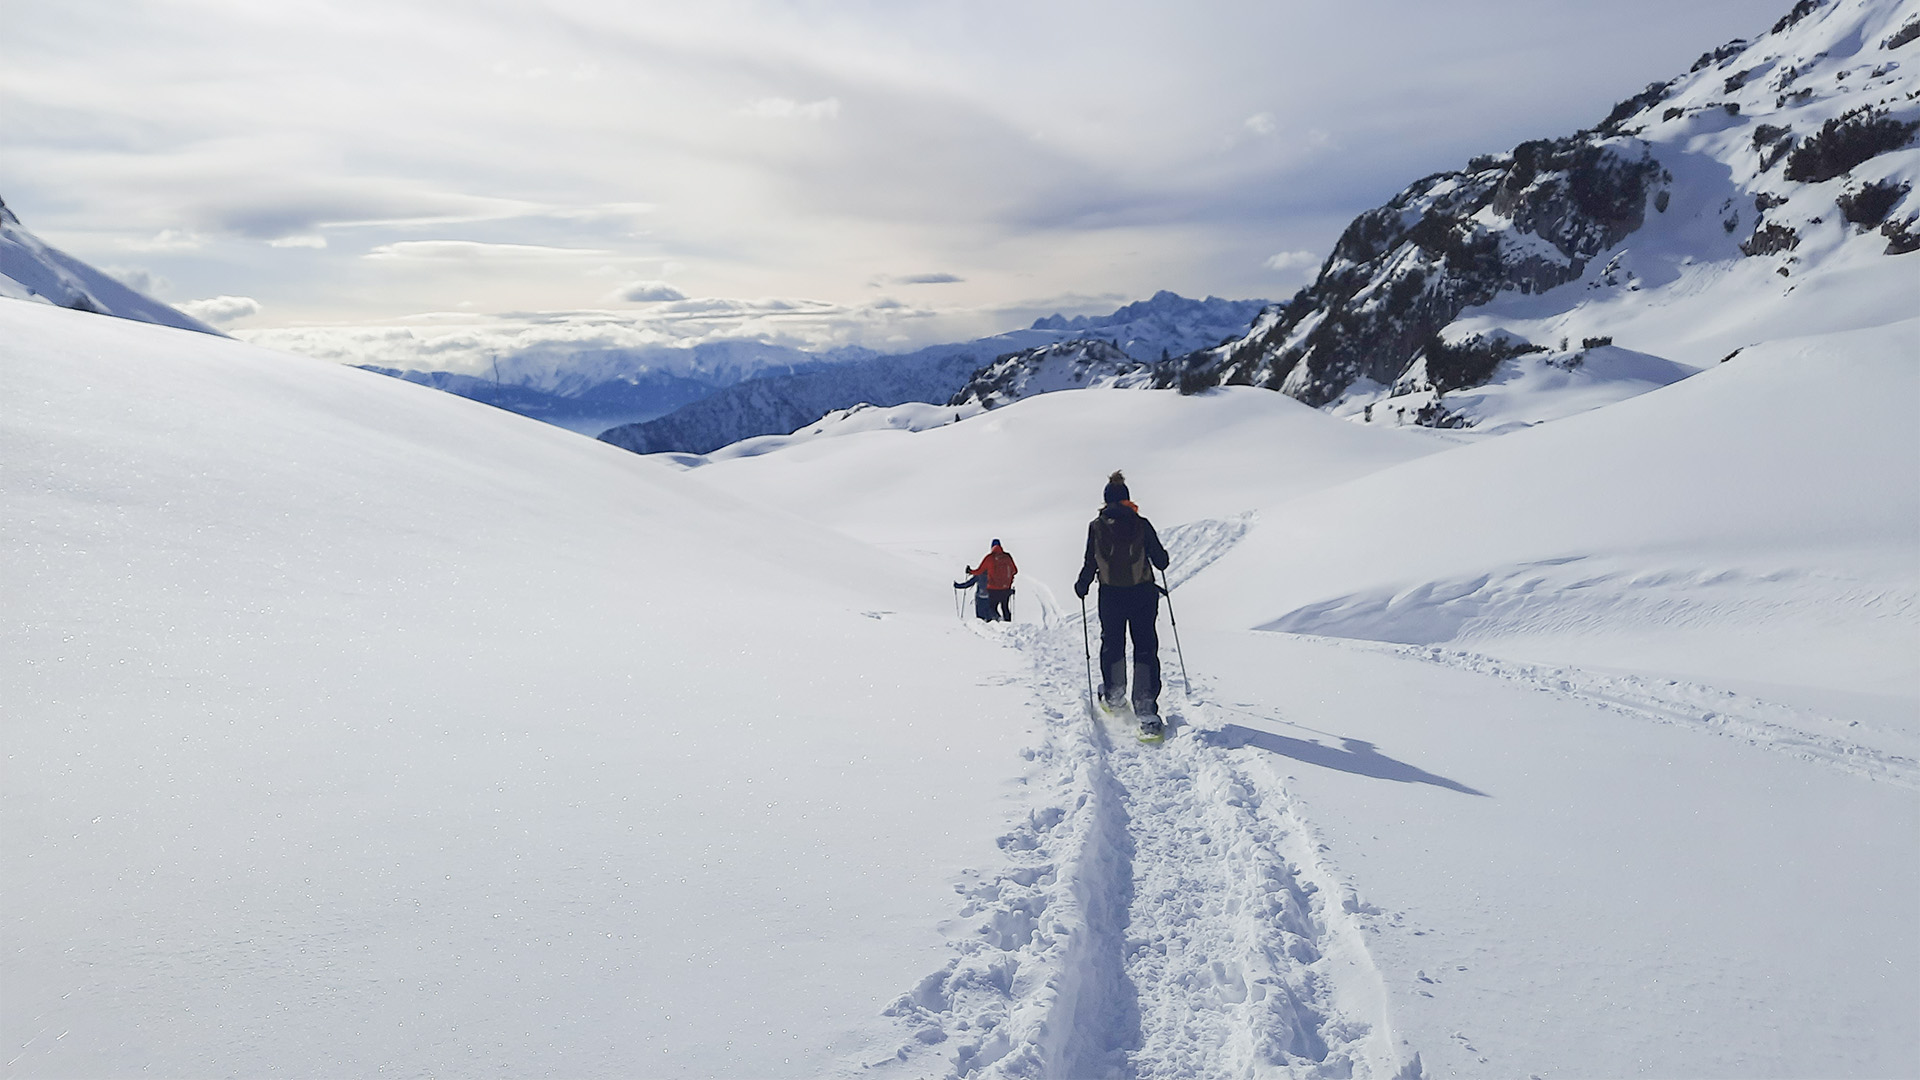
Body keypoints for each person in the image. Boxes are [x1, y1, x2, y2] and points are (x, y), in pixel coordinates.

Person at [1074, 471, 1170, 730]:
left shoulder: (1096, 526)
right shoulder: (1142, 523)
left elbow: (1090, 562)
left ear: (1106, 501)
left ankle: (1115, 697)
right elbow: (1161, 560)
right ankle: (1146, 707)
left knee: (1113, 644)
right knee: (1145, 647)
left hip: (1111, 596)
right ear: (1127, 499)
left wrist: (1082, 585)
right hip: (1143, 594)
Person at [966, 540, 1018, 621]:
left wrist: (970, 571)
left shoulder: (989, 558)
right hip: (1006, 588)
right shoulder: (1007, 557)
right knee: (1005, 607)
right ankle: (1008, 624)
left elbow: (979, 571)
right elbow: (1015, 570)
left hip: (993, 588)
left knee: (992, 608)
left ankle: (994, 623)